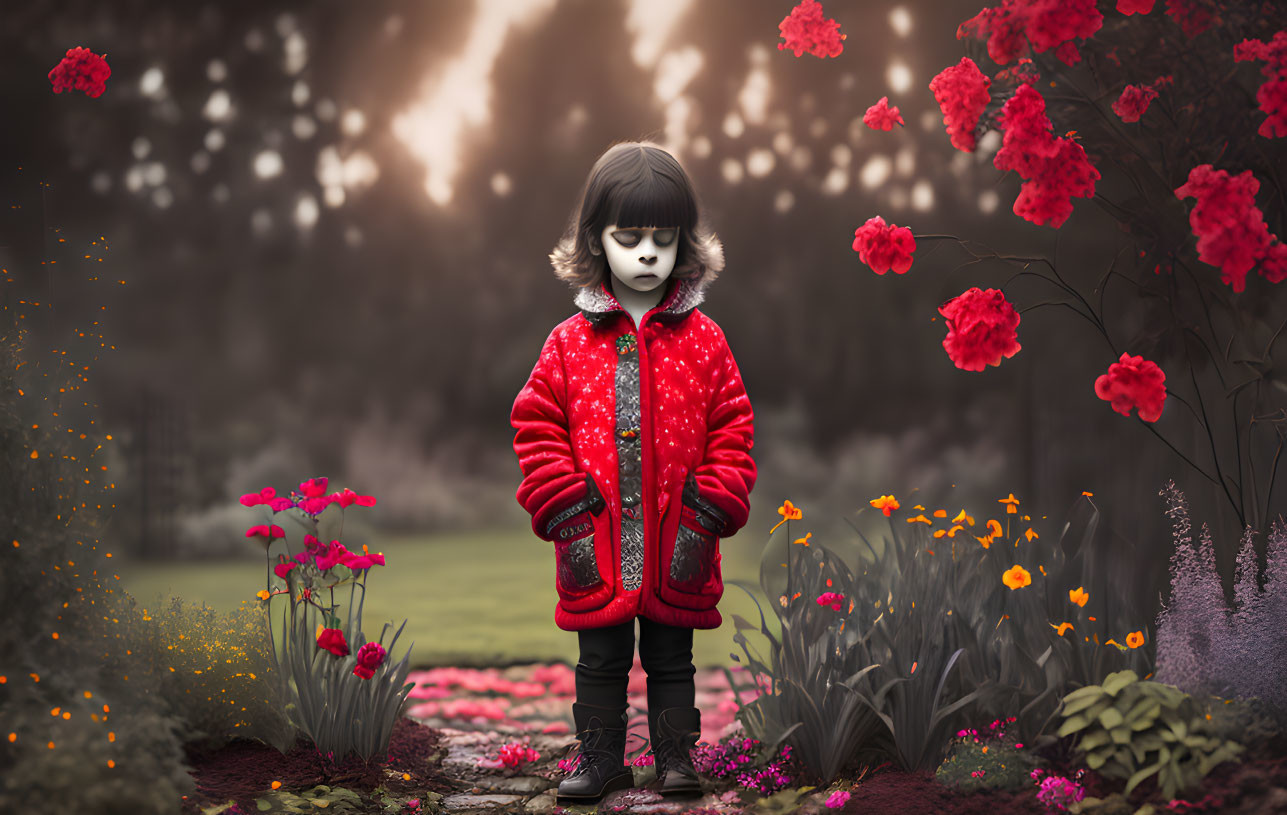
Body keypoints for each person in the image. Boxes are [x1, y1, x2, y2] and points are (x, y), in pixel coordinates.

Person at [510, 139, 757, 804]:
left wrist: (709, 505)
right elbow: (535, 424)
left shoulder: (704, 339)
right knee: (600, 659)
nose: (647, 253)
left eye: (663, 237)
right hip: (594, 537)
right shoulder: (567, 342)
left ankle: (676, 759)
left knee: (672, 657)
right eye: (629, 237)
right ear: (596, 240)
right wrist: (564, 506)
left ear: (685, 241)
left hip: (683, 534)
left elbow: (733, 425)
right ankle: (601, 760)